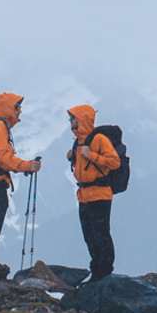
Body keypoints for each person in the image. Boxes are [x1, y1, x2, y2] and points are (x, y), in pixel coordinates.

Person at [0, 92, 42, 258]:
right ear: (8, 109)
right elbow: (5, 158)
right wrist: (27, 166)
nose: (20, 111)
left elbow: (2, 159)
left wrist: (24, 167)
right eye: (17, 107)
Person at [67, 104, 120, 282]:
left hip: (100, 194)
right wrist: (73, 156)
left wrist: (92, 156)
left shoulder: (98, 139)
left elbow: (114, 162)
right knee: (89, 235)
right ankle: (96, 269)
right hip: (84, 195)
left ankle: (104, 271)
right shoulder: (79, 142)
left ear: (82, 119)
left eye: (73, 119)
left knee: (101, 234)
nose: (71, 123)